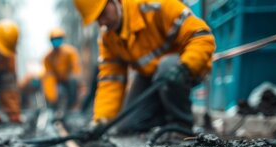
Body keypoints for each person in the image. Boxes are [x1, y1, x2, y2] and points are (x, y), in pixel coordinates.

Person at [73, 0, 215, 133]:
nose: (103, 22)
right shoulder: (108, 39)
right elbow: (111, 81)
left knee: (166, 66)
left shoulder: (155, 5)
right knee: (127, 126)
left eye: (103, 14)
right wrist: (101, 120)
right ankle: (165, 119)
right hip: (151, 76)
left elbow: (202, 36)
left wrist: (185, 66)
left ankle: (181, 126)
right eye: (97, 19)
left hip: (185, 67)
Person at [42, 27, 82, 114]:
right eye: (54, 39)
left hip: (69, 79)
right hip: (57, 81)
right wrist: (51, 96)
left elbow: (76, 69)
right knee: (55, 92)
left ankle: (72, 108)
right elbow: (49, 76)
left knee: (73, 83)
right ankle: (54, 109)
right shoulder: (48, 57)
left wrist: (79, 84)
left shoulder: (70, 52)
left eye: (58, 39)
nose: (56, 41)